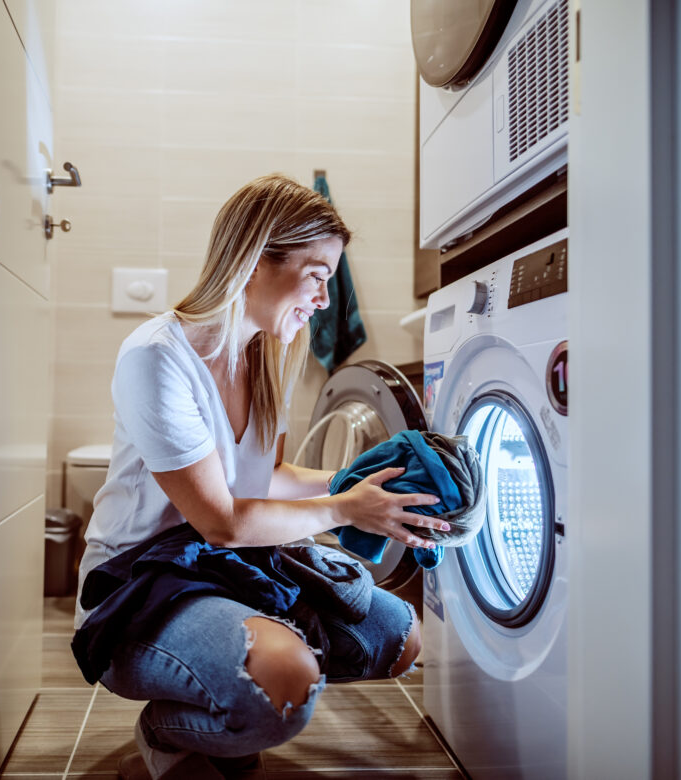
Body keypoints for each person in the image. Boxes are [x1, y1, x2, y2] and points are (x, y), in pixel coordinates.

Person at [73, 174, 450, 780]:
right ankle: (170, 728)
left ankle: (232, 688)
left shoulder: (263, 356)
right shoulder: (157, 357)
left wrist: (360, 482)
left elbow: (267, 476)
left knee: (399, 637)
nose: (325, 300)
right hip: (139, 591)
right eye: (318, 275)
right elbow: (222, 521)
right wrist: (348, 509)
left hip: (224, 572)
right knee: (286, 680)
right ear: (254, 261)